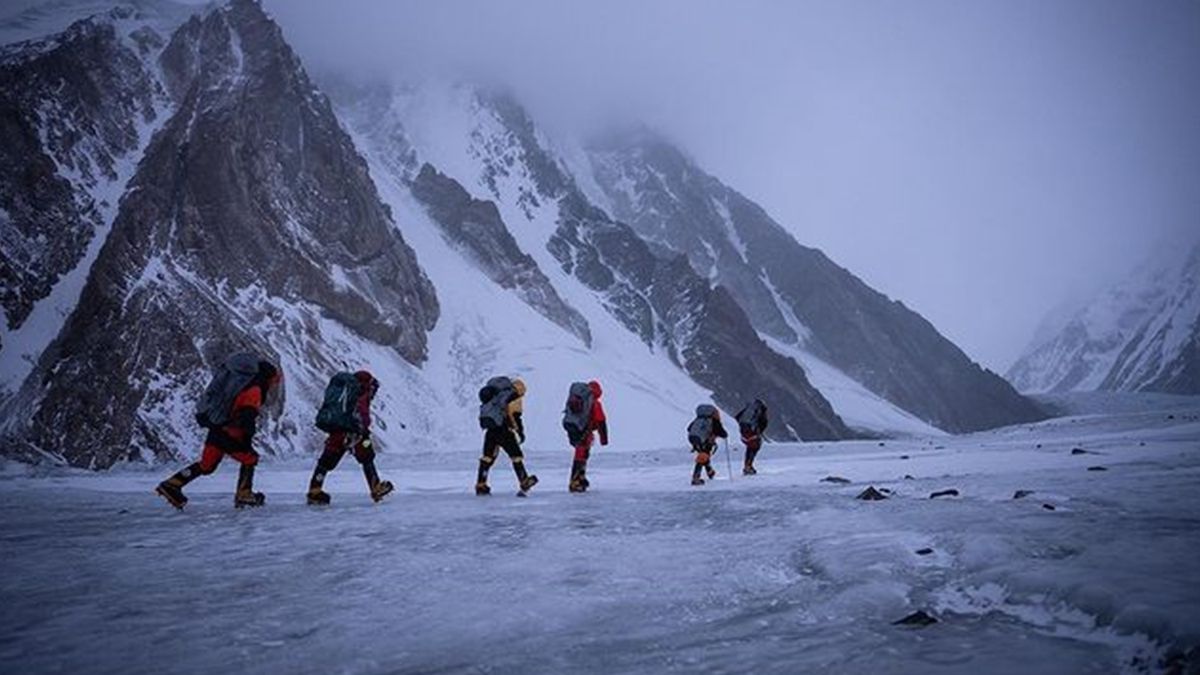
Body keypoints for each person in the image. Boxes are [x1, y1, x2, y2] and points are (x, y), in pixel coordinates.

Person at [156, 355, 281, 509]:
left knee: (207, 465)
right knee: (250, 458)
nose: (273, 385)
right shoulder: (254, 390)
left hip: (216, 428)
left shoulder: (240, 384)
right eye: (273, 382)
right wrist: (247, 440)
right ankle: (244, 494)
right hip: (229, 433)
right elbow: (247, 416)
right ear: (267, 378)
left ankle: (172, 485)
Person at [307, 370, 394, 505]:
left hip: (337, 433)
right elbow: (363, 416)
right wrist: (363, 429)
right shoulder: (361, 394)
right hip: (355, 434)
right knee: (367, 459)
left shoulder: (345, 392)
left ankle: (314, 490)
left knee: (325, 462)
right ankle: (375, 487)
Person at [476, 377, 538, 496]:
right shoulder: (512, 397)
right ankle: (523, 480)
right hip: (504, 430)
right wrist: (520, 432)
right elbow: (515, 416)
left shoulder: (495, 397)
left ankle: (481, 484)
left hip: (491, 430)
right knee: (516, 456)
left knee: (487, 457)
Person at [564, 380, 608, 493]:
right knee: (581, 454)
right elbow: (601, 421)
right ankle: (575, 481)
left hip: (573, 427)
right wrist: (604, 439)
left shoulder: (580, 399)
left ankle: (580, 478)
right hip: (584, 430)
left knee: (581, 453)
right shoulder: (594, 403)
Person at [687, 404, 727, 486]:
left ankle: (710, 472)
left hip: (693, 438)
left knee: (704, 455)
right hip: (704, 440)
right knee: (703, 457)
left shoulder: (698, 419)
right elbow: (722, 433)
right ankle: (696, 477)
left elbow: (689, 428)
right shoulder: (713, 421)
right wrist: (724, 435)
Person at [735, 398, 769, 475]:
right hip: (753, 434)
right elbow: (764, 423)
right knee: (754, 448)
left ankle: (747, 466)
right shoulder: (761, 411)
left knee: (749, 448)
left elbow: (737, 417)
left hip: (744, 434)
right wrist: (758, 431)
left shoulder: (747, 410)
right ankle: (748, 467)